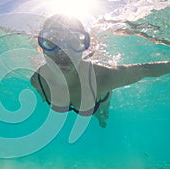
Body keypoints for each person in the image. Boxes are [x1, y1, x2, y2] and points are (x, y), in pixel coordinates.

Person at [30, 14, 170, 128]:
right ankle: (98, 116)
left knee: (100, 109)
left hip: (99, 99)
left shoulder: (101, 77)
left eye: (73, 42)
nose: (63, 53)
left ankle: (102, 114)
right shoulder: (37, 81)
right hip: (90, 100)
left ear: (85, 46)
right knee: (90, 110)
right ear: (41, 45)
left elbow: (144, 70)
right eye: (52, 42)